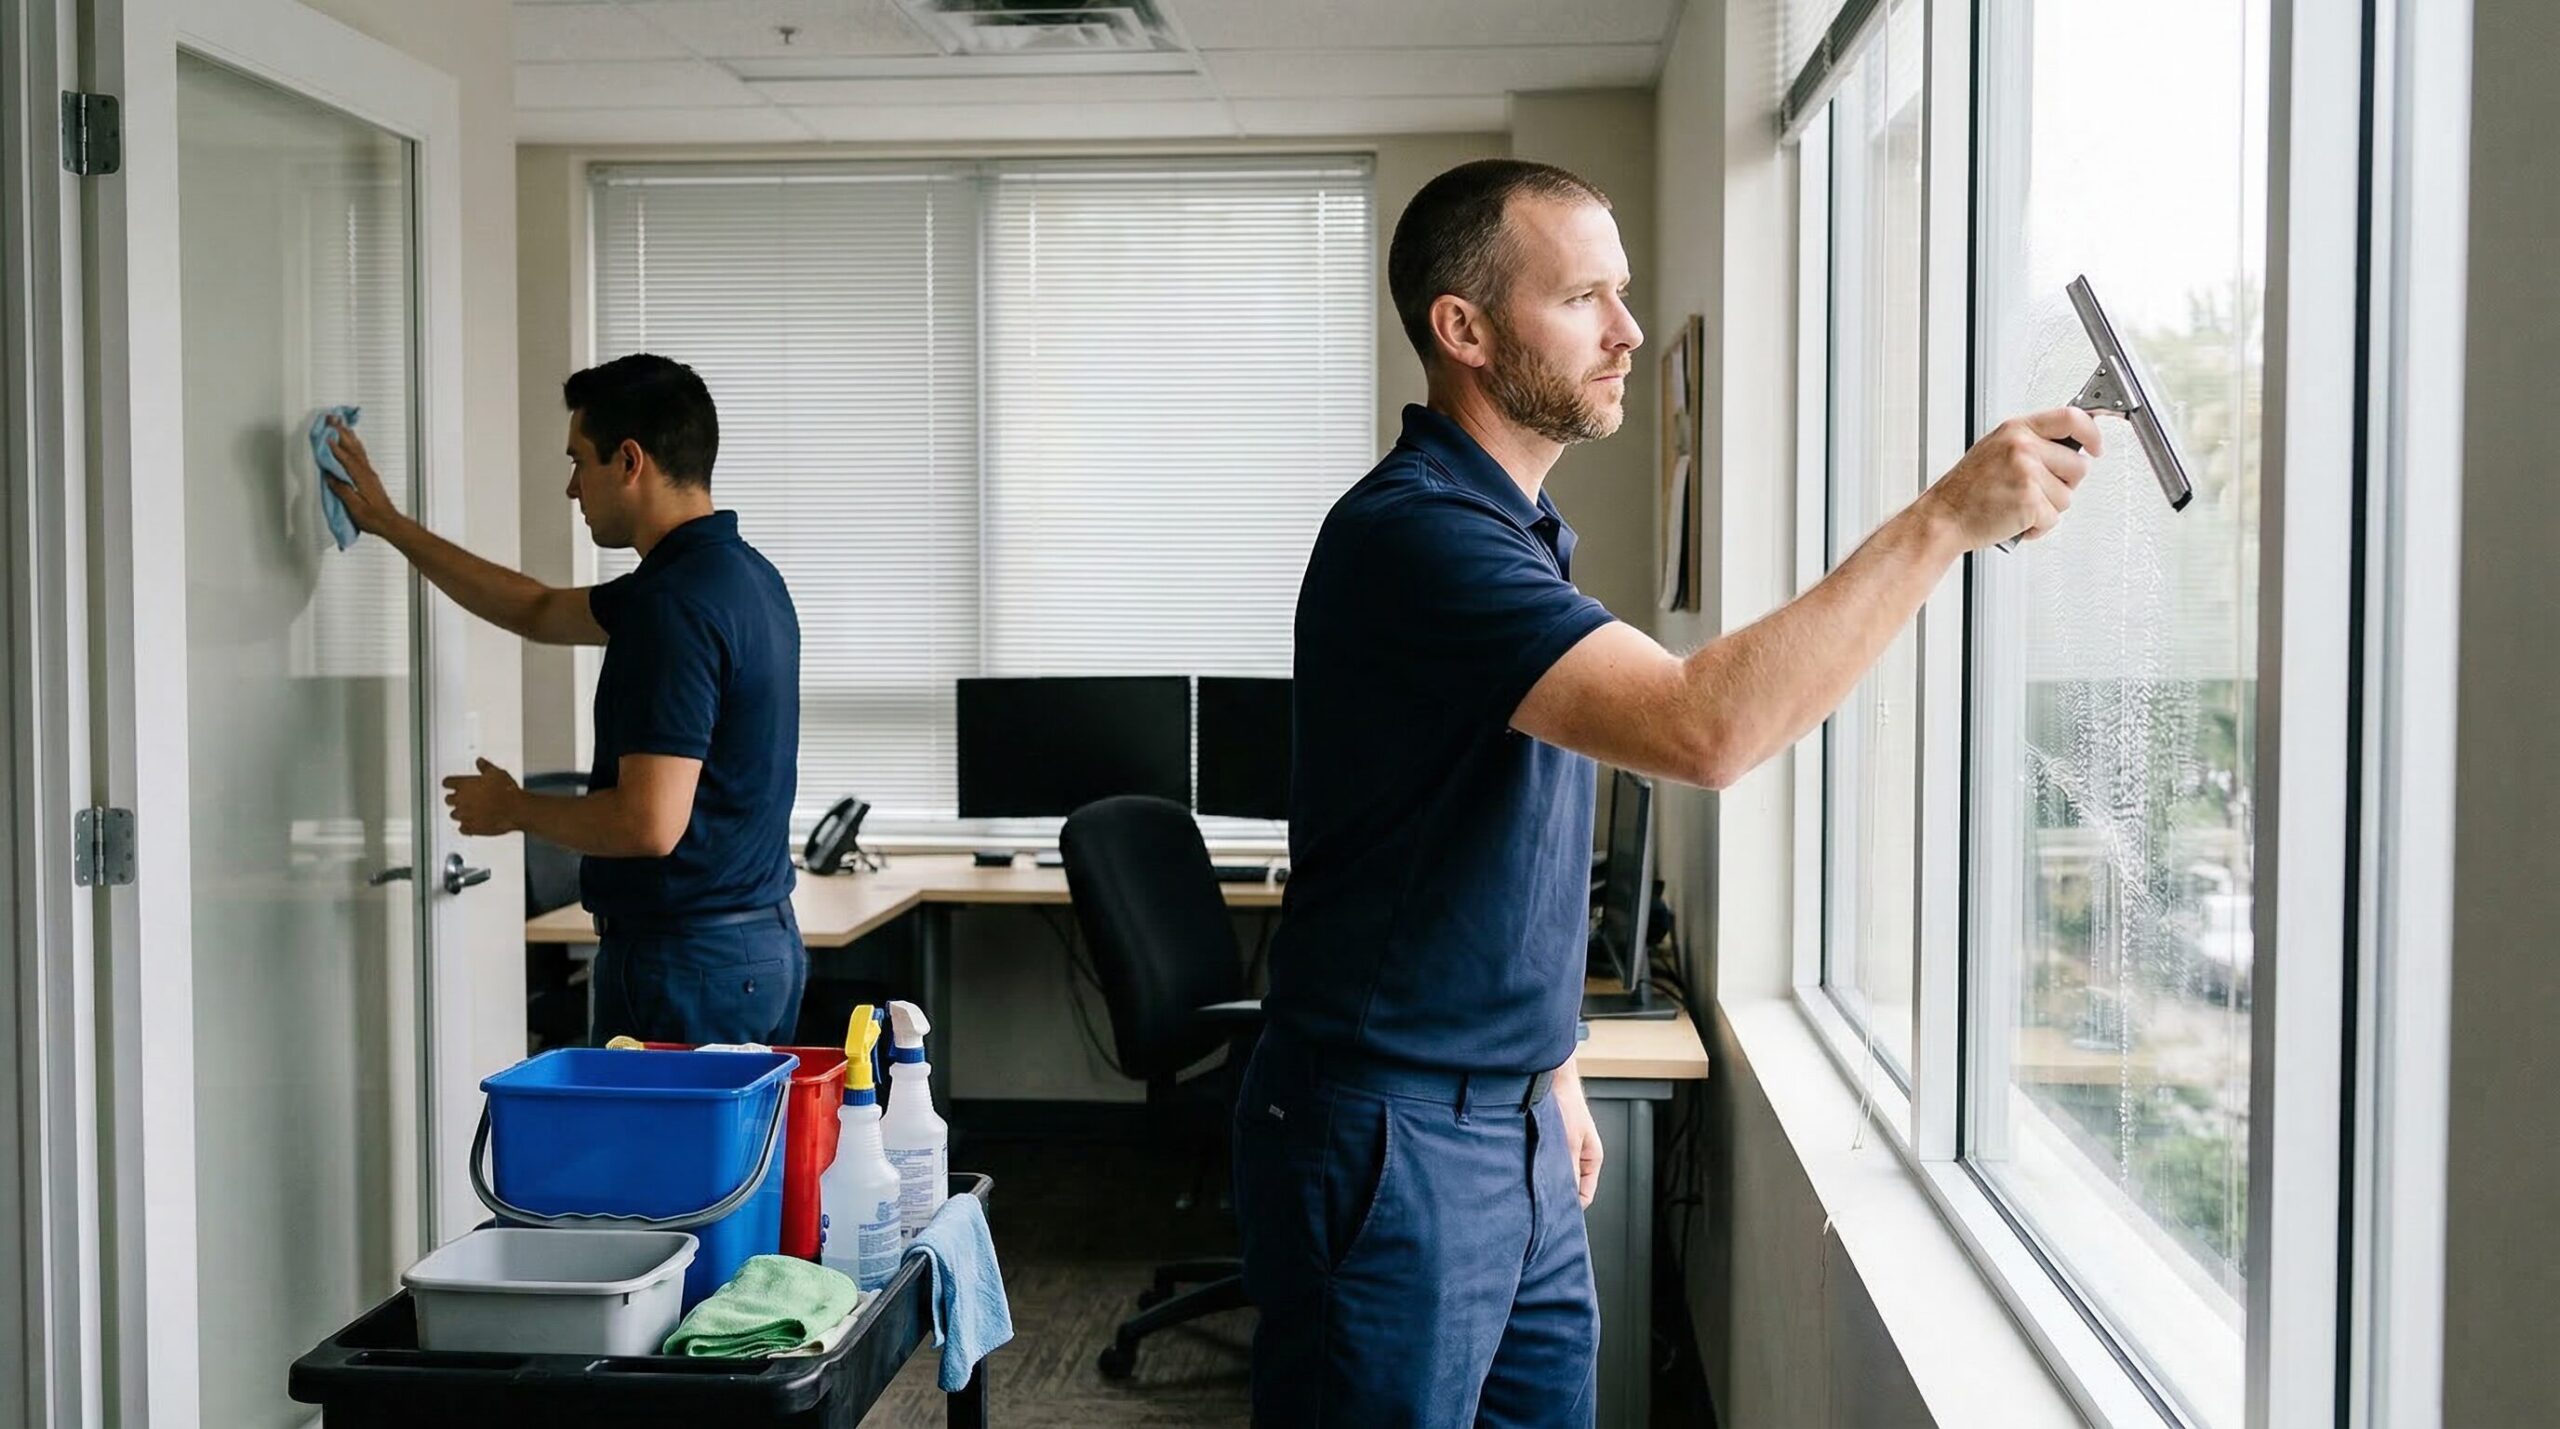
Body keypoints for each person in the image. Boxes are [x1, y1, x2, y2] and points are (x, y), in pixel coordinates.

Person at [1236, 158, 2099, 1426]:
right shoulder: (1415, 536)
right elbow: (1707, 727)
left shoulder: (1517, 531)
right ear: (1463, 329)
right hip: (1394, 1137)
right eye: (1582, 297)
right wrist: (1940, 521)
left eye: (1622, 292)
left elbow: (1494, 849)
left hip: (1509, 1114)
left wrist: (1550, 1063)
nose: (1629, 332)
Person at [325, 353, 807, 1045]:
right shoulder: (744, 578)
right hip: (752, 947)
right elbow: (538, 608)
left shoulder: (672, 607)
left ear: (630, 461)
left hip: (685, 962)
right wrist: (392, 525)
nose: (572, 487)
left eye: (580, 460)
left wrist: (512, 807)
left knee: (652, 1126)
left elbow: (648, 823)